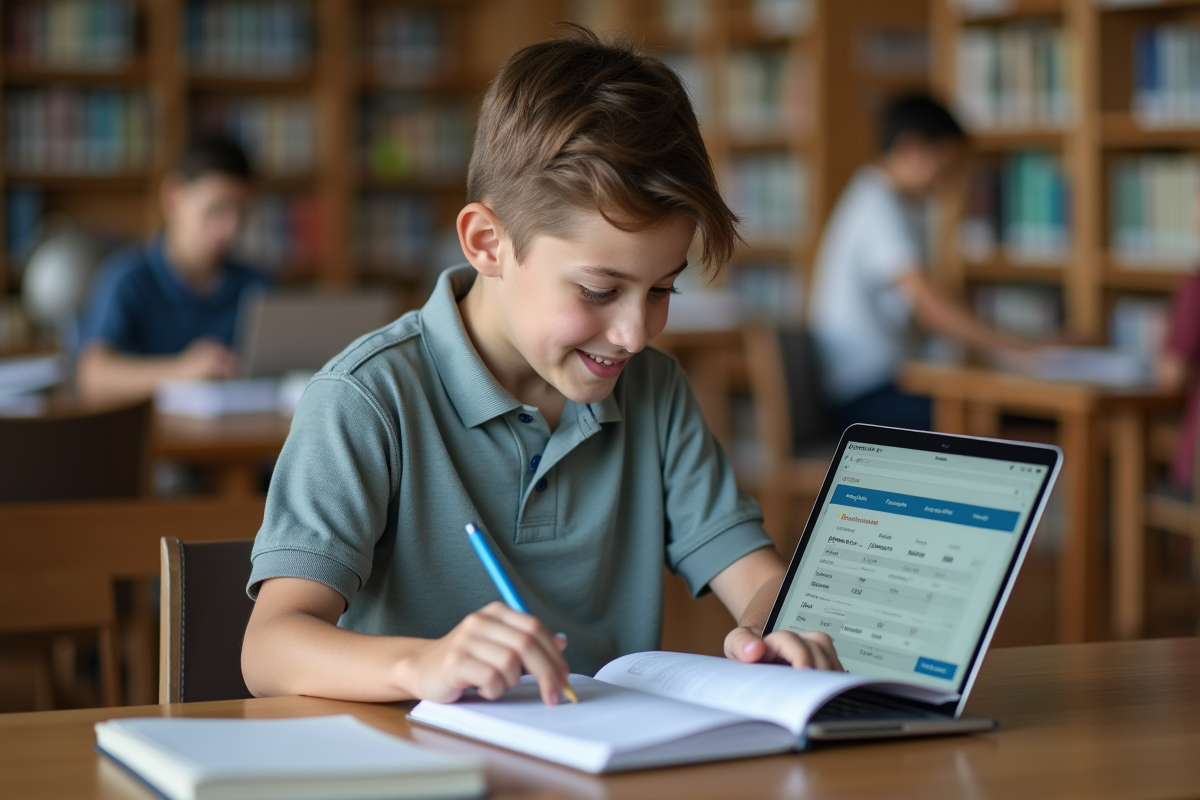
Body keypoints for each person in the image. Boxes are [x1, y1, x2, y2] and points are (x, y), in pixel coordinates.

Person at [240, 27, 842, 707]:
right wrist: (422, 665)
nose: (634, 334)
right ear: (487, 243)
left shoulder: (655, 392)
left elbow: (757, 578)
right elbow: (269, 647)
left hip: (602, 762)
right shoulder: (368, 398)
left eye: (663, 290)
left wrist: (769, 631)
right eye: (598, 290)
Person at [808, 94, 1026, 431]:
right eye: (945, 167)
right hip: (863, 394)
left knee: (991, 411)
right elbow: (928, 307)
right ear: (910, 148)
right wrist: (1017, 349)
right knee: (994, 418)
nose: (947, 183)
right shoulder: (879, 206)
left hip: (886, 382)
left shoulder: (888, 201)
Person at [77, 135, 266, 403]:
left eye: (242, 213)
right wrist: (180, 371)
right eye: (216, 210)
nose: (231, 230)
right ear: (173, 197)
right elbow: (93, 376)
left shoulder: (256, 285)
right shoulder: (127, 278)